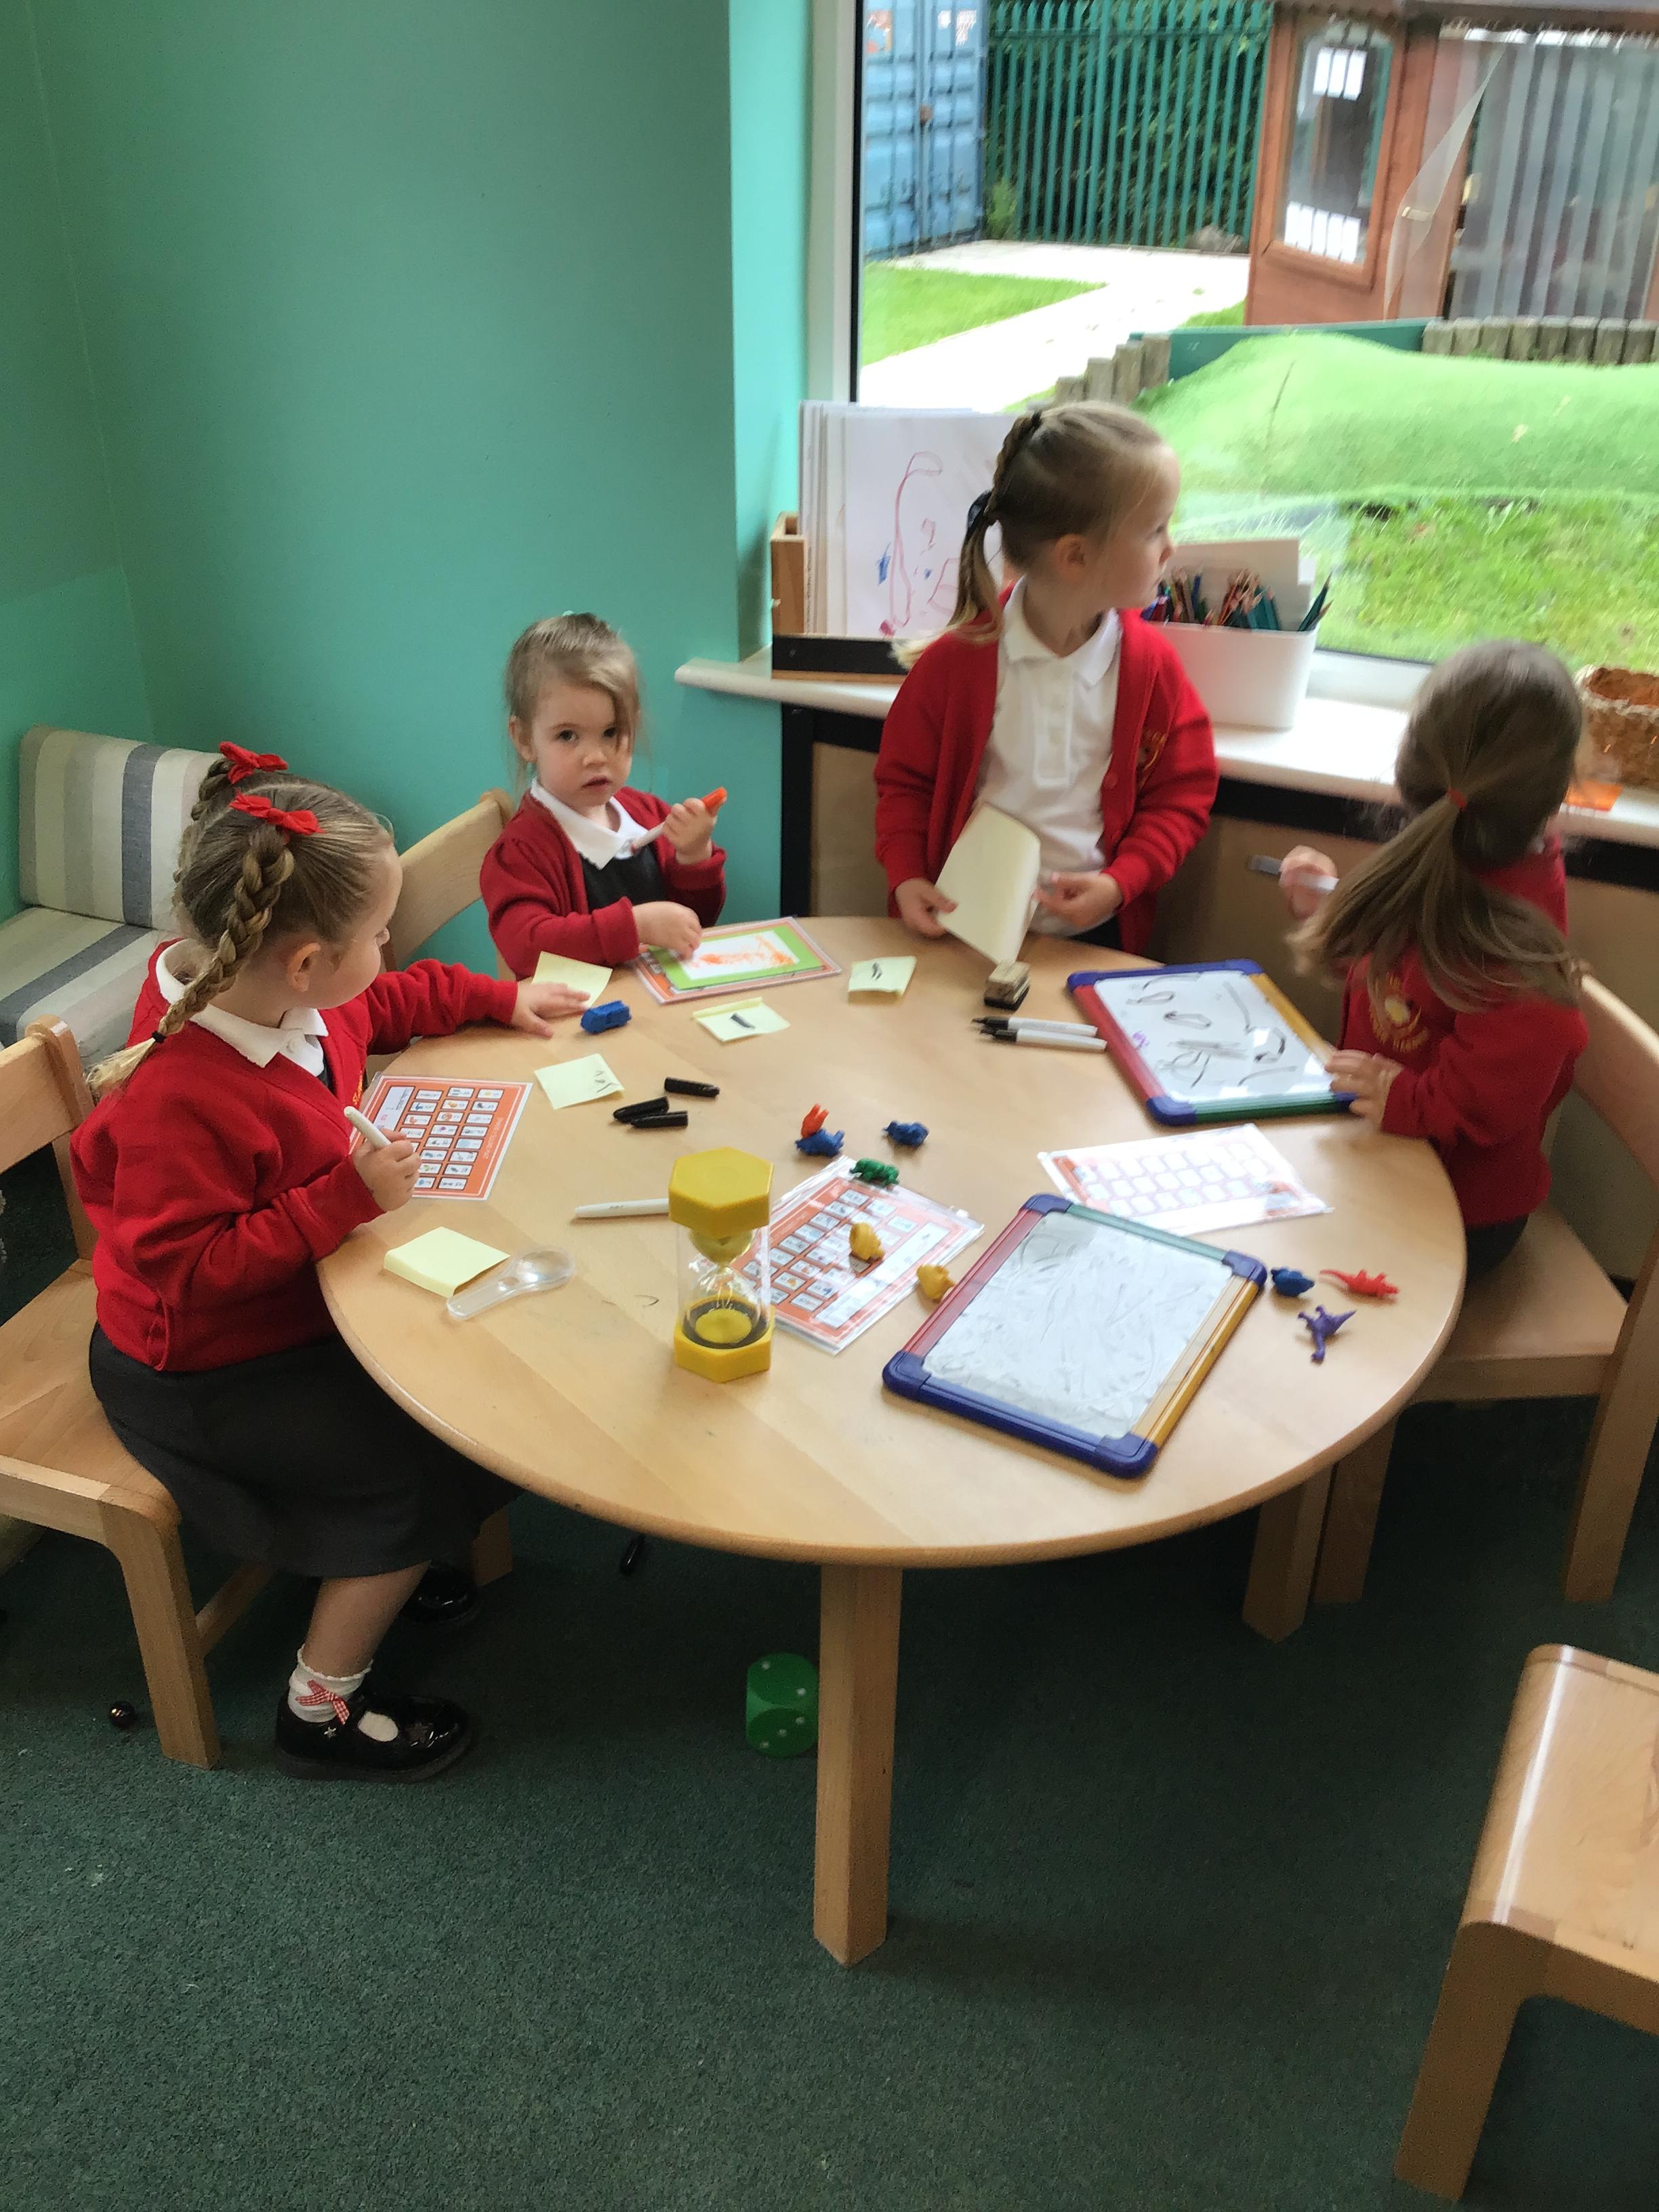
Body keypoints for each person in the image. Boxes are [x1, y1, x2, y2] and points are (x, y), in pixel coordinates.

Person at [75, 775, 585, 1781]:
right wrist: (340, 1201)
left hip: (290, 1308)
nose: (392, 948)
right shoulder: (182, 1092)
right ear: (307, 963)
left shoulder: (274, 996)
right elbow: (188, 1270)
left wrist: (498, 996)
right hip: (198, 1368)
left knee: (466, 1397)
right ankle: (322, 1708)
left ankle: (382, 1567)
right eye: (381, 933)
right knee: (416, 1466)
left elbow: (383, 1002)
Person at [1278, 639, 1589, 1279]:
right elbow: (1406, 980)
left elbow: (1508, 1081)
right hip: (1388, 1155)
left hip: (1462, 1216)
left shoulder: (1513, 938)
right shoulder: (1451, 850)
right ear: (1558, 791)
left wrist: (1408, 1100)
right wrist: (1333, 913)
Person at [873, 402, 1216, 956]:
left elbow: (1182, 796)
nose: (1171, 548)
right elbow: (905, 785)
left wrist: (1121, 883)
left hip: (1093, 939)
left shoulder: (1153, 670)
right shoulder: (955, 666)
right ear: (1075, 556)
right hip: (963, 931)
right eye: (1155, 530)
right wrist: (907, 874)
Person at [483, 613, 726, 976]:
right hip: (579, 1011)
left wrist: (693, 856)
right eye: (567, 735)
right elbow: (527, 950)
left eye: (611, 732)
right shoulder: (521, 852)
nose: (596, 757)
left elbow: (695, 925)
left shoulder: (649, 815)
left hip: (654, 1002)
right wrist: (635, 927)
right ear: (524, 739)